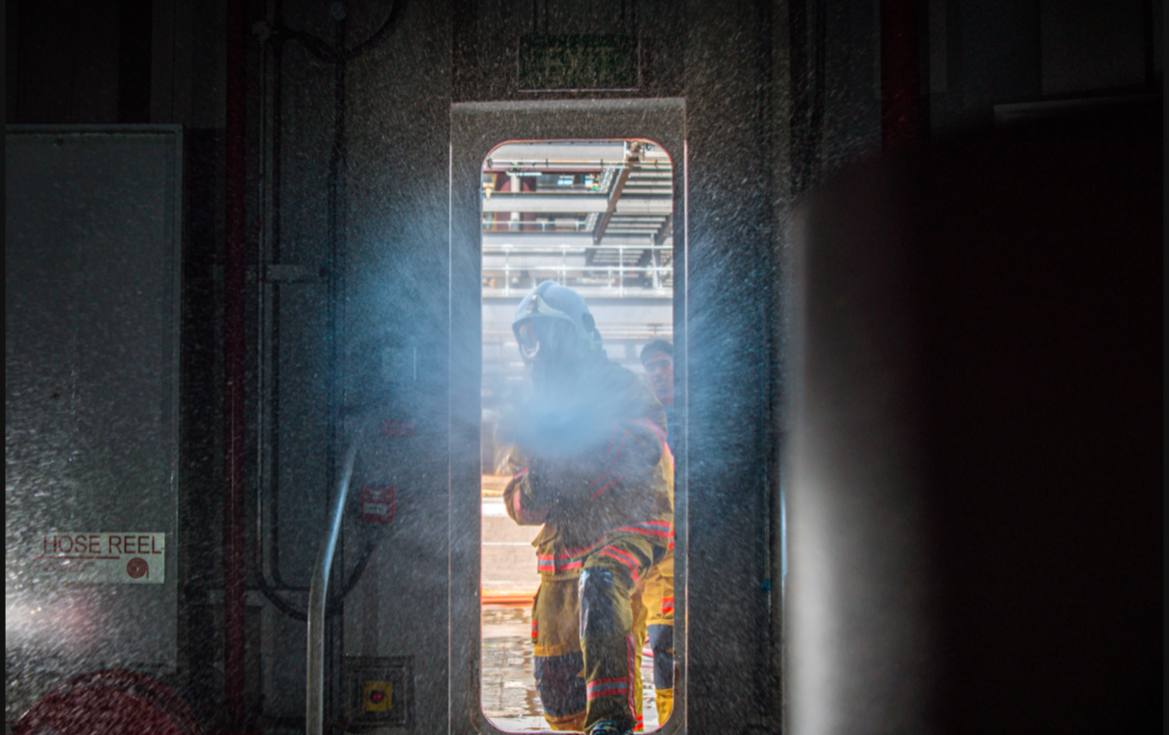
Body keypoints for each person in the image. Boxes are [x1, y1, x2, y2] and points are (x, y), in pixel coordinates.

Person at [502, 281, 674, 735]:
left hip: (622, 541)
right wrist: (544, 476)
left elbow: (647, 446)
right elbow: (517, 501)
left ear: (577, 335)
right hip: (556, 575)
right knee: (562, 708)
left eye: (549, 335)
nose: (540, 350)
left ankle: (613, 725)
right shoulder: (532, 407)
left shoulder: (620, 388)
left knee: (602, 589)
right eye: (531, 338)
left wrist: (584, 441)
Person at [637, 340, 676, 724]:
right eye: (649, 367)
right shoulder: (643, 423)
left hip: (674, 551)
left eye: (662, 364)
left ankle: (670, 721)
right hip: (642, 550)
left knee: (665, 641)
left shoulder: (687, 424)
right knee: (628, 642)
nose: (656, 372)